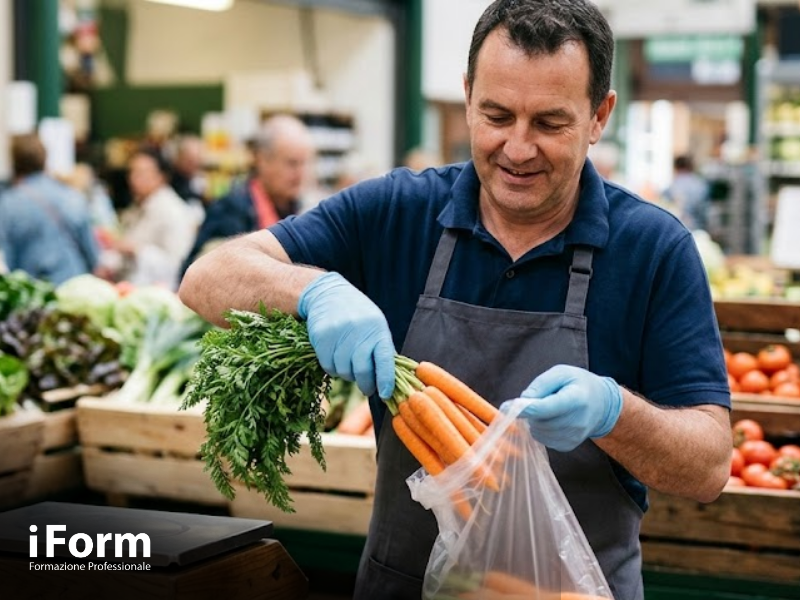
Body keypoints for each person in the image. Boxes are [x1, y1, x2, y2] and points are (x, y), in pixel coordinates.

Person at [179, 2, 732, 598]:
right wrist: (314, 290)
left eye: (549, 123)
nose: (517, 148)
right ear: (467, 96)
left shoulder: (654, 249)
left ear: (600, 116)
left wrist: (613, 413)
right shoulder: (396, 213)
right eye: (496, 115)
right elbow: (206, 278)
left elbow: (708, 466)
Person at [179, 114, 317, 273]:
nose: (301, 174)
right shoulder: (230, 210)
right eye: (292, 163)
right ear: (262, 160)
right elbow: (197, 271)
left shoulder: (304, 209)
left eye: (305, 163)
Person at [0, 134, 99, 285]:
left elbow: (9, 254)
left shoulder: (8, 203)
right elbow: (91, 249)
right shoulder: (70, 195)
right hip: (73, 285)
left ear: (14, 161)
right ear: (45, 158)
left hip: (33, 290)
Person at [104, 147, 199, 290]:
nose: (133, 178)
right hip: (129, 287)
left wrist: (136, 250)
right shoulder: (137, 206)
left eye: (141, 173)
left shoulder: (172, 211)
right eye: (132, 172)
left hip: (158, 293)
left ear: (161, 176)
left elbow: (178, 263)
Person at [662, 155, 711, 232]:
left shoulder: (672, 187)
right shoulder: (701, 185)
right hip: (698, 229)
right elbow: (706, 211)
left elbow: (665, 210)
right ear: (691, 167)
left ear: (676, 167)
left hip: (678, 230)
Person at [168, 134, 208, 207]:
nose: (196, 163)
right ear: (179, 158)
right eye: (190, 160)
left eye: (198, 159)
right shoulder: (172, 179)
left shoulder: (197, 178)